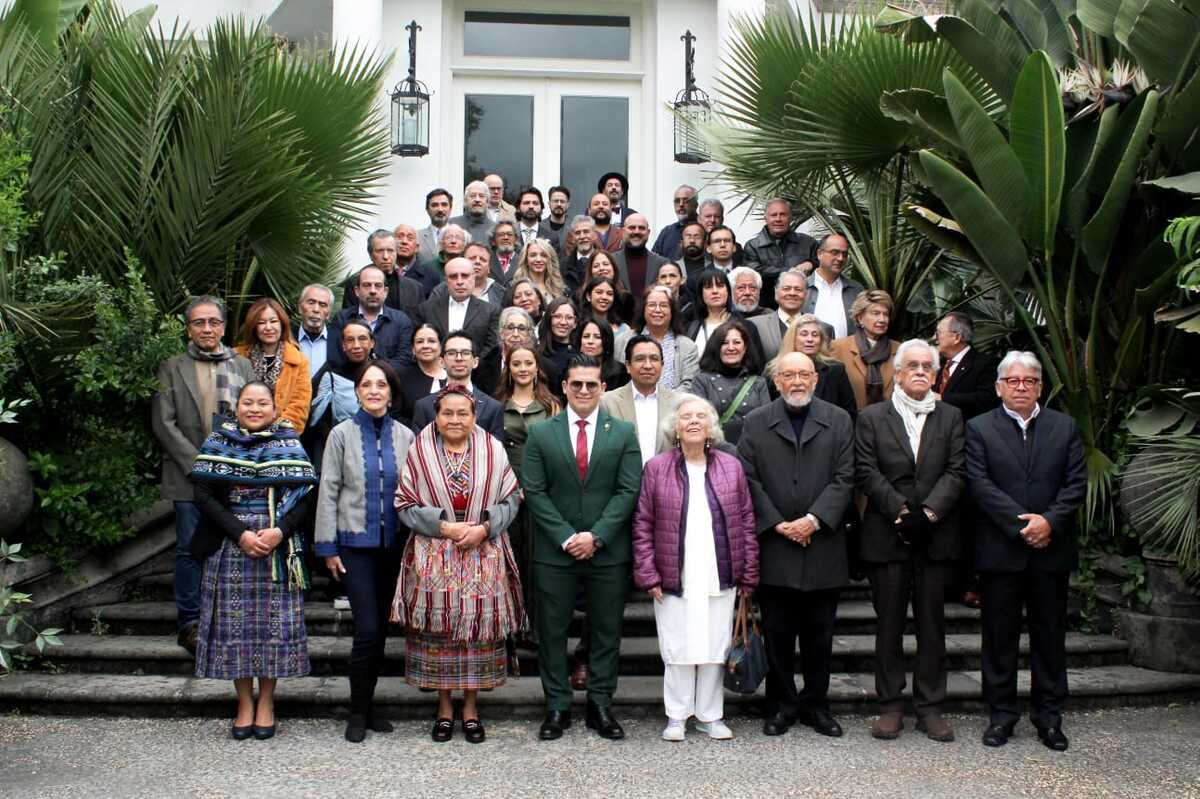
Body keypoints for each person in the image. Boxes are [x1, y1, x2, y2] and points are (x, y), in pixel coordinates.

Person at [966, 351, 1086, 752]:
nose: (1021, 386)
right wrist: (1024, 527)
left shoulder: (1064, 427)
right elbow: (979, 484)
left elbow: (1075, 484)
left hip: (1051, 551)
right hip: (1001, 552)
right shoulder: (979, 428)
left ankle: (1049, 717)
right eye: (1013, 381)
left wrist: (1049, 521)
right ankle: (1001, 716)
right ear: (999, 386)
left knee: (1049, 638)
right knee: (999, 639)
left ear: (1040, 386)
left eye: (1029, 381)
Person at [392, 385, 524, 743]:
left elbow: (512, 498)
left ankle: (471, 708)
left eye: (461, 413)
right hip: (435, 553)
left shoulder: (492, 449)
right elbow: (404, 503)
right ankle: (444, 708)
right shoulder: (420, 449)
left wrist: (483, 528)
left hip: (484, 552)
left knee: (478, 636)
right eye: (447, 413)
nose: (454, 419)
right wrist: (444, 526)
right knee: (441, 635)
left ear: (474, 415)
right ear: (436, 416)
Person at [521, 354, 643, 741]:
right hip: (555, 552)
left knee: (606, 631)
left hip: (607, 551)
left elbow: (629, 489)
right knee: (552, 633)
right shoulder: (541, 433)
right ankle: (556, 706)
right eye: (577, 384)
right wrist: (567, 537)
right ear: (565, 387)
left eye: (592, 384)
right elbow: (534, 491)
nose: (585, 390)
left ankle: (600, 705)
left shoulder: (622, 433)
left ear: (603, 387)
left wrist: (598, 535)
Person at [189, 381, 317, 740]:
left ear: (275, 409)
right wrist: (240, 534)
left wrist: (279, 532)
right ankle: (244, 702)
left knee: (270, 629)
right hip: (231, 546)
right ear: (238, 407)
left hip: (276, 546)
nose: (256, 409)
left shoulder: (289, 443)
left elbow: (306, 495)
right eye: (249, 402)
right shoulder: (219, 442)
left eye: (263, 403)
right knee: (236, 630)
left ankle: (267, 703)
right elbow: (202, 494)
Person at [738, 351, 855, 739]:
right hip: (776, 547)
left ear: (816, 379)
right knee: (778, 635)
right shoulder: (755, 423)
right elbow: (748, 480)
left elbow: (845, 477)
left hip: (823, 545)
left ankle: (817, 705)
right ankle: (782, 705)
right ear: (776, 381)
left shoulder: (838, 420)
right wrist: (777, 523)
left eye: (804, 374)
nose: (797, 381)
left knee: (821, 637)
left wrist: (812, 520)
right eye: (789, 375)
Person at [855, 339, 966, 743]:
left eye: (927, 367)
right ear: (897, 373)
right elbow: (865, 468)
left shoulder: (951, 416)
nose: (920, 371)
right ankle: (890, 706)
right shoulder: (872, 417)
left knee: (933, 625)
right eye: (912, 365)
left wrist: (929, 514)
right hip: (886, 535)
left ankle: (930, 707)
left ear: (935, 375)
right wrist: (901, 511)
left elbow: (957, 470)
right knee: (888, 625)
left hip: (936, 536)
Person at [633, 395, 758, 741]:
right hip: (675, 573)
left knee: (714, 646)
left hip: (720, 570)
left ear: (710, 427)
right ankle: (676, 716)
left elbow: (746, 520)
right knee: (677, 647)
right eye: (685, 416)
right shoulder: (657, 467)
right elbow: (643, 523)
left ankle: (710, 715)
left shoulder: (730, 466)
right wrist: (648, 573)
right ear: (674, 427)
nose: (692, 421)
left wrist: (748, 572)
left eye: (700, 416)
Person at [315, 360, 416, 742]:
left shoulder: (405, 436)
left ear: (391, 392)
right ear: (357, 392)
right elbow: (329, 490)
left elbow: (413, 490)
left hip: (393, 547)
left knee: (381, 632)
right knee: (367, 629)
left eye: (381, 385)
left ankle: (370, 707)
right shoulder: (340, 434)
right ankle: (357, 712)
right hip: (354, 545)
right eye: (366, 385)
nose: (374, 390)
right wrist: (327, 547)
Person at [152, 296, 254, 654]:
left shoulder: (242, 366)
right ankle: (190, 623)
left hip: (233, 474)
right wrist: (199, 465)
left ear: (224, 327)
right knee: (188, 550)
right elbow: (163, 422)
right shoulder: (172, 367)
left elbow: (255, 413)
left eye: (213, 322)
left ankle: (227, 618)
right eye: (199, 322)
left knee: (230, 548)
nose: (207, 329)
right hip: (187, 475)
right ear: (188, 328)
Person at [933, 311, 1000, 608]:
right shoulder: (936, 367)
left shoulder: (985, 365)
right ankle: (947, 583)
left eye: (939, 332)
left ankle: (973, 582)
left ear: (956, 336)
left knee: (971, 518)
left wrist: (944, 401)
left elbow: (987, 400)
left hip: (972, 449)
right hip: (938, 450)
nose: (936, 337)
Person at [496, 346, 562, 645]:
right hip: (505, 491)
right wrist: (510, 486)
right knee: (510, 560)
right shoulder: (496, 405)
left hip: (542, 490)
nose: (523, 368)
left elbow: (560, 451)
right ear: (508, 368)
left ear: (538, 367)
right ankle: (509, 628)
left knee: (539, 561)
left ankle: (536, 629)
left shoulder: (552, 405)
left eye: (528, 363)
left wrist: (536, 486)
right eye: (516, 363)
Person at [416, 256, 501, 395]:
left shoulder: (490, 311)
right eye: (453, 276)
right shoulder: (427, 309)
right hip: (434, 382)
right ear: (446, 280)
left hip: (477, 383)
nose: (460, 281)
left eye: (465, 276)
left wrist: (465, 365)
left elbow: (491, 348)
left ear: (474, 278)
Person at [234, 298, 311, 433]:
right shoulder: (236, 357)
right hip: (240, 436)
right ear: (253, 326)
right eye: (261, 322)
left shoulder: (299, 361)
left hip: (280, 440)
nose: (268, 327)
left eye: (273, 321)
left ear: (282, 324)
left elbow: (299, 407)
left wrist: (273, 434)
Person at [600, 335, 680, 464]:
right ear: (628, 366)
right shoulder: (607, 402)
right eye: (640, 359)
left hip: (665, 480)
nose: (648, 365)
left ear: (662, 365)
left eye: (654, 359)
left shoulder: (678, 403)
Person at [411, 331, 505, 438]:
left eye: (465, 353)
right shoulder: (424, 407)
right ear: (441, 362)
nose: (459, 358)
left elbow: (496, 452)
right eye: (451, 353)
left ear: (475, 362)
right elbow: (419, 450)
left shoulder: (493, 408)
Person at [692, 319, 770, 445]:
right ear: (716, 348)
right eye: (724, 343)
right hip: (714, 453)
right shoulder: (702, 381)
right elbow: (697, 422)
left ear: (745, 348)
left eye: (737, 342)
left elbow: (765, 423)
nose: (731, 348)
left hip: (750, 452)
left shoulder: (759, 383)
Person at [329, 266, 415, 377]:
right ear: (357, 291)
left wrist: (374, 375)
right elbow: (336, 358)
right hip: (349, 387)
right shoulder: (342, 319)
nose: (373, 291)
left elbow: (404, 361)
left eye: (378, 286)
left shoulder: (401, 321)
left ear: (385, 292)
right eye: (367, 285)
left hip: (388, 388)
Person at [772, 313, 858, 421]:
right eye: (804, 334)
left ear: (821, 340)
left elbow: (849, 412)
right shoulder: (775, 369)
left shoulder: (835, 370)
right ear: (792, 338)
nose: (810, 339)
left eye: (815, 334)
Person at [617, 285, 699, 392]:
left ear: (672, 311)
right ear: (643, 309)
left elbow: (690, 384)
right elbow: (617, 379)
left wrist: (664, 402)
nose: (657, 310)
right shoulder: (624, 340)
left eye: (664, 305)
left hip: (674, 405)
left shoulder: (687, 346)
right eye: (651, 305)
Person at [831, 289, 901, 411]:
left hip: (889, 424)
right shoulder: (838, 348)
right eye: (875, 313)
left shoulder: (900, 350)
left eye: (885, 314)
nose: (882, 319)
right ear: (860, 318)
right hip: (851, 423)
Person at [742, 198, 817, 305]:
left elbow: (822, 263)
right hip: (767, 309)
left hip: (803, 307)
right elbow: (755, 272)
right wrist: (791, 271)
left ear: (790, 218)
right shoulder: (753, 246)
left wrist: (811, 263)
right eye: (773, 215)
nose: (778, 219)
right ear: (766, 218)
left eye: (783, 214)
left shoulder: (808, 243)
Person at [340, 229, 426, 314]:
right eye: (380, 251)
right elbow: (349, 319)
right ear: (371, 255)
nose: (385, 256)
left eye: (390, 250)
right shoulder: (355, 283)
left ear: (396, 253)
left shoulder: (415, 288)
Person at [803, 233, 863, 340]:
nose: (840, 258)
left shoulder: (856, 290)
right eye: (834, 252)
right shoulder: (802, 287)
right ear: (819, 254)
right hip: (810, 355)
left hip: (846, 354)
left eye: (844, 254)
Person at [750, 269, 809, 360]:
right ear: (776, 293)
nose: (792, 293)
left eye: (798, 289)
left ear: (805, 294)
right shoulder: (755, 325)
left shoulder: (822, 327)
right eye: (786, 288)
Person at [397, 323, 447, 428]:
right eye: (420, 342)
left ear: (441, 346)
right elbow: (396, 416)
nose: (425, 346)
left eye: (431, 341)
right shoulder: (402, 377)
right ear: (413, 349)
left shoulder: (454, 375)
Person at [611, 213, 666, 299]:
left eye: (641, 228)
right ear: (622, 232)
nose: (637, 231)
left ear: (648, 233)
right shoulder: (610, 261)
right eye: (632, 228)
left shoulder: (662, 264)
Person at [536, 297, 578, 395]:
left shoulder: (579, 355)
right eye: (557, 316)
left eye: (569, 318)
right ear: (549, 320)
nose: (563, 322)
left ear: (575, 323)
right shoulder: (536, 353)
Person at [572, 317, 627, 390]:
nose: (590, 341)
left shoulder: (620, 373)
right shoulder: (570, 368)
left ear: (607, 341)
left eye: (598, 337)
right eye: (586, 336)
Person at [414, 223, 470, 295]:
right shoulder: (427, 267)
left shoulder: (470, 267)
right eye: (449, 237)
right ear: (441, 243)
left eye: (458, 238)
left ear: (464, 244)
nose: (453, 241)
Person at [511, 238, 567, 303]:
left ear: (549, 259)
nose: (538, 259)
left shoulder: (561, 289)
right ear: (526, 260)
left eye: (543, 255)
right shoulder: (514, 287)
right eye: (533, 255)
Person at [651, 184, 698, 260]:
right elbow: (654, 260)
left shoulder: (704, 229)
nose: (681, 204)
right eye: (677, 201)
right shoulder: (667, 232)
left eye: (686, 201)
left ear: (696, 205)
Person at [515, 186, 562, 253]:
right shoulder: (508, 233)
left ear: (541, 208)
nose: (531, 206)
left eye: (535, 203)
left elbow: (555, 263)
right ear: (518, 208)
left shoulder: (552, 237)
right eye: (526, 203)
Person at [448, 179, 496, 244]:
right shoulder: (450, 224)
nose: (477, 200)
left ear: (487, 202)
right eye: (473, 196)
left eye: (481, 196)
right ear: (465, 201)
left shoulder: (495, 229)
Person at [418, 188, 453, 260]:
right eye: (434, 205)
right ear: (427, 210)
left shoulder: (462, 237)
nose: (440, 209)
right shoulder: (417, 237)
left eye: (444, 205)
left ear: (450, 209)